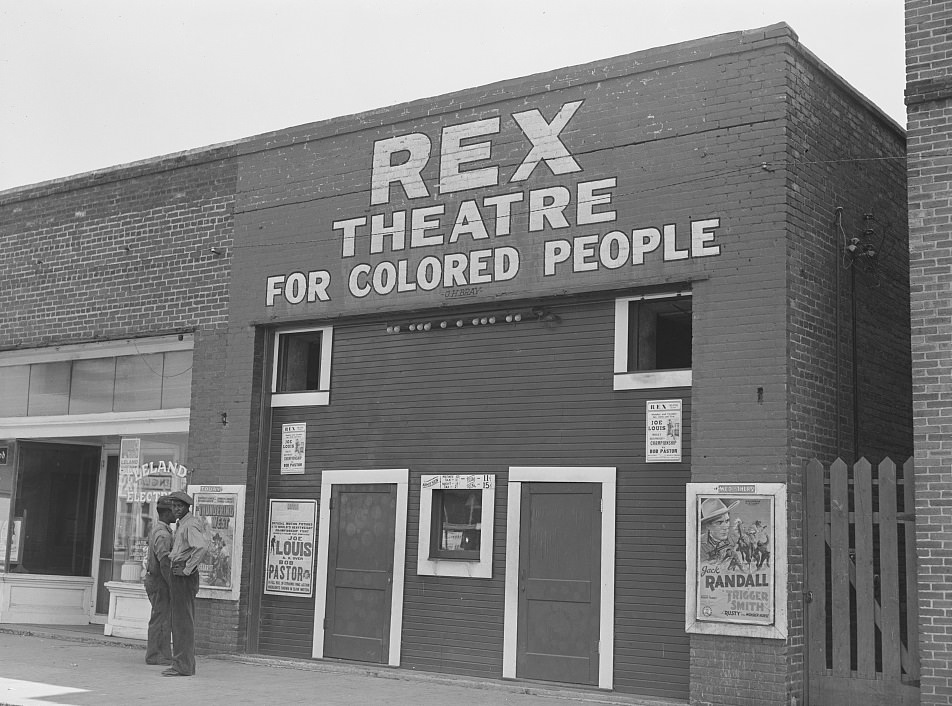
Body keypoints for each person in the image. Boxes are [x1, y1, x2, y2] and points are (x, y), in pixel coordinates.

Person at [163, 490, 209, 677]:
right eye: (173, 506)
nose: (175, 509)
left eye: (179, 506)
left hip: (183, 574)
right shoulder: (183, 524)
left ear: (186, 507)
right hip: (179, 571)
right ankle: (183, 664)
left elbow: (201, 547)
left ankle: (182, 666)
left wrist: (187, 569)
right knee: (180, 620)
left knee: (182, 622)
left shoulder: (189, 525)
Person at [143, 495, 176, 666]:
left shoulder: (158, 530)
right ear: (166, 513)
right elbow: (164, 563)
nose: (176, 513)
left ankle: (161, 654)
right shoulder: (163, 535)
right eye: (173, 510)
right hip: (159, 581)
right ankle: (155, 655)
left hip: (156, 579)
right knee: (160, 618)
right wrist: (172, 584)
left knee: (162, 616)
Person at [698, 497, 739, 564]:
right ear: (708, 526)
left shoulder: (734, 540)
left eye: (727, 521)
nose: (725, 527)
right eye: (719, 523)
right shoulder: (699, 543)